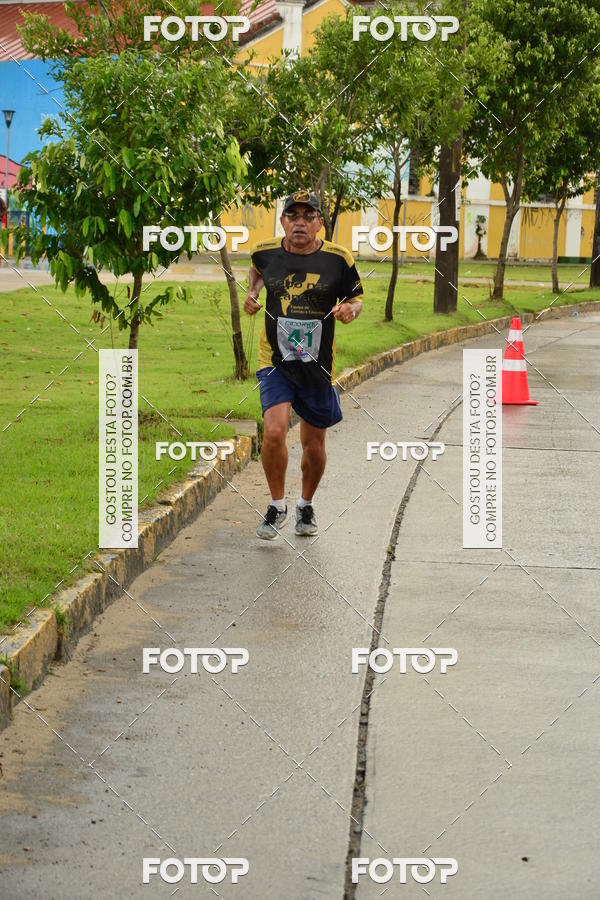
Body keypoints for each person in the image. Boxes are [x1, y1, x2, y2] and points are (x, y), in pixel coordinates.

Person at [244, 190, 363, 540]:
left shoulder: (338, 259)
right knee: (274, 431)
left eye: (308, 216)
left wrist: (348, 312)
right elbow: (256, 271)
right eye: (292, 215)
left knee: (313, 443)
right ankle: (277, 505)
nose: (299, 222)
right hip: (276, 360)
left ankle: (305, 505)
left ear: (319, 224)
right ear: (282, 221)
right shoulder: (264, 252)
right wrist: (252, 294)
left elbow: (355, 299)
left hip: (316, 364)